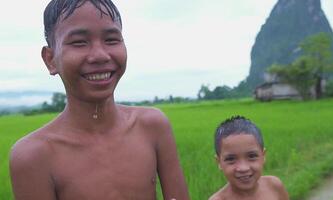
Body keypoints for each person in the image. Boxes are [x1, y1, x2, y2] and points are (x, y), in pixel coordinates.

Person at [9, 0, 189, 199]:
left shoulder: (152, 126)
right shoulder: (34, 156)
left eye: (112, 40)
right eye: (79, 42)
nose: (100, 55)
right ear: (50, 59)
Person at [209, 116, 289, 200]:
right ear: (219, 162)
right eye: (231, 159)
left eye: (252, 156)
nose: (243, 168)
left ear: (263, 156)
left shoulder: (274, 186)